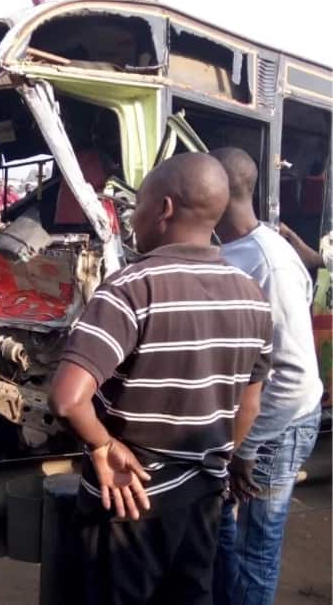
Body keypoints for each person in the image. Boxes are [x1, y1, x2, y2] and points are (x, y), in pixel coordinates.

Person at [49, 152, 273, 605]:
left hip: (129, 503)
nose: (133, 221)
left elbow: (69, 399)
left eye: (139, 207)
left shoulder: (131, 287)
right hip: (204, 499)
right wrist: (218, 458)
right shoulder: (252, 296)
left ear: (164, 209)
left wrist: (103, 445)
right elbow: (249, 402)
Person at [211, 147, 322, 605]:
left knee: (256, 544)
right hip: (249, 426)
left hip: (279, 425)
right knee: (224, 531)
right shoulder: (236, 251)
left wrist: (247, 448)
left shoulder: (266, 262)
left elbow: (290, 373)